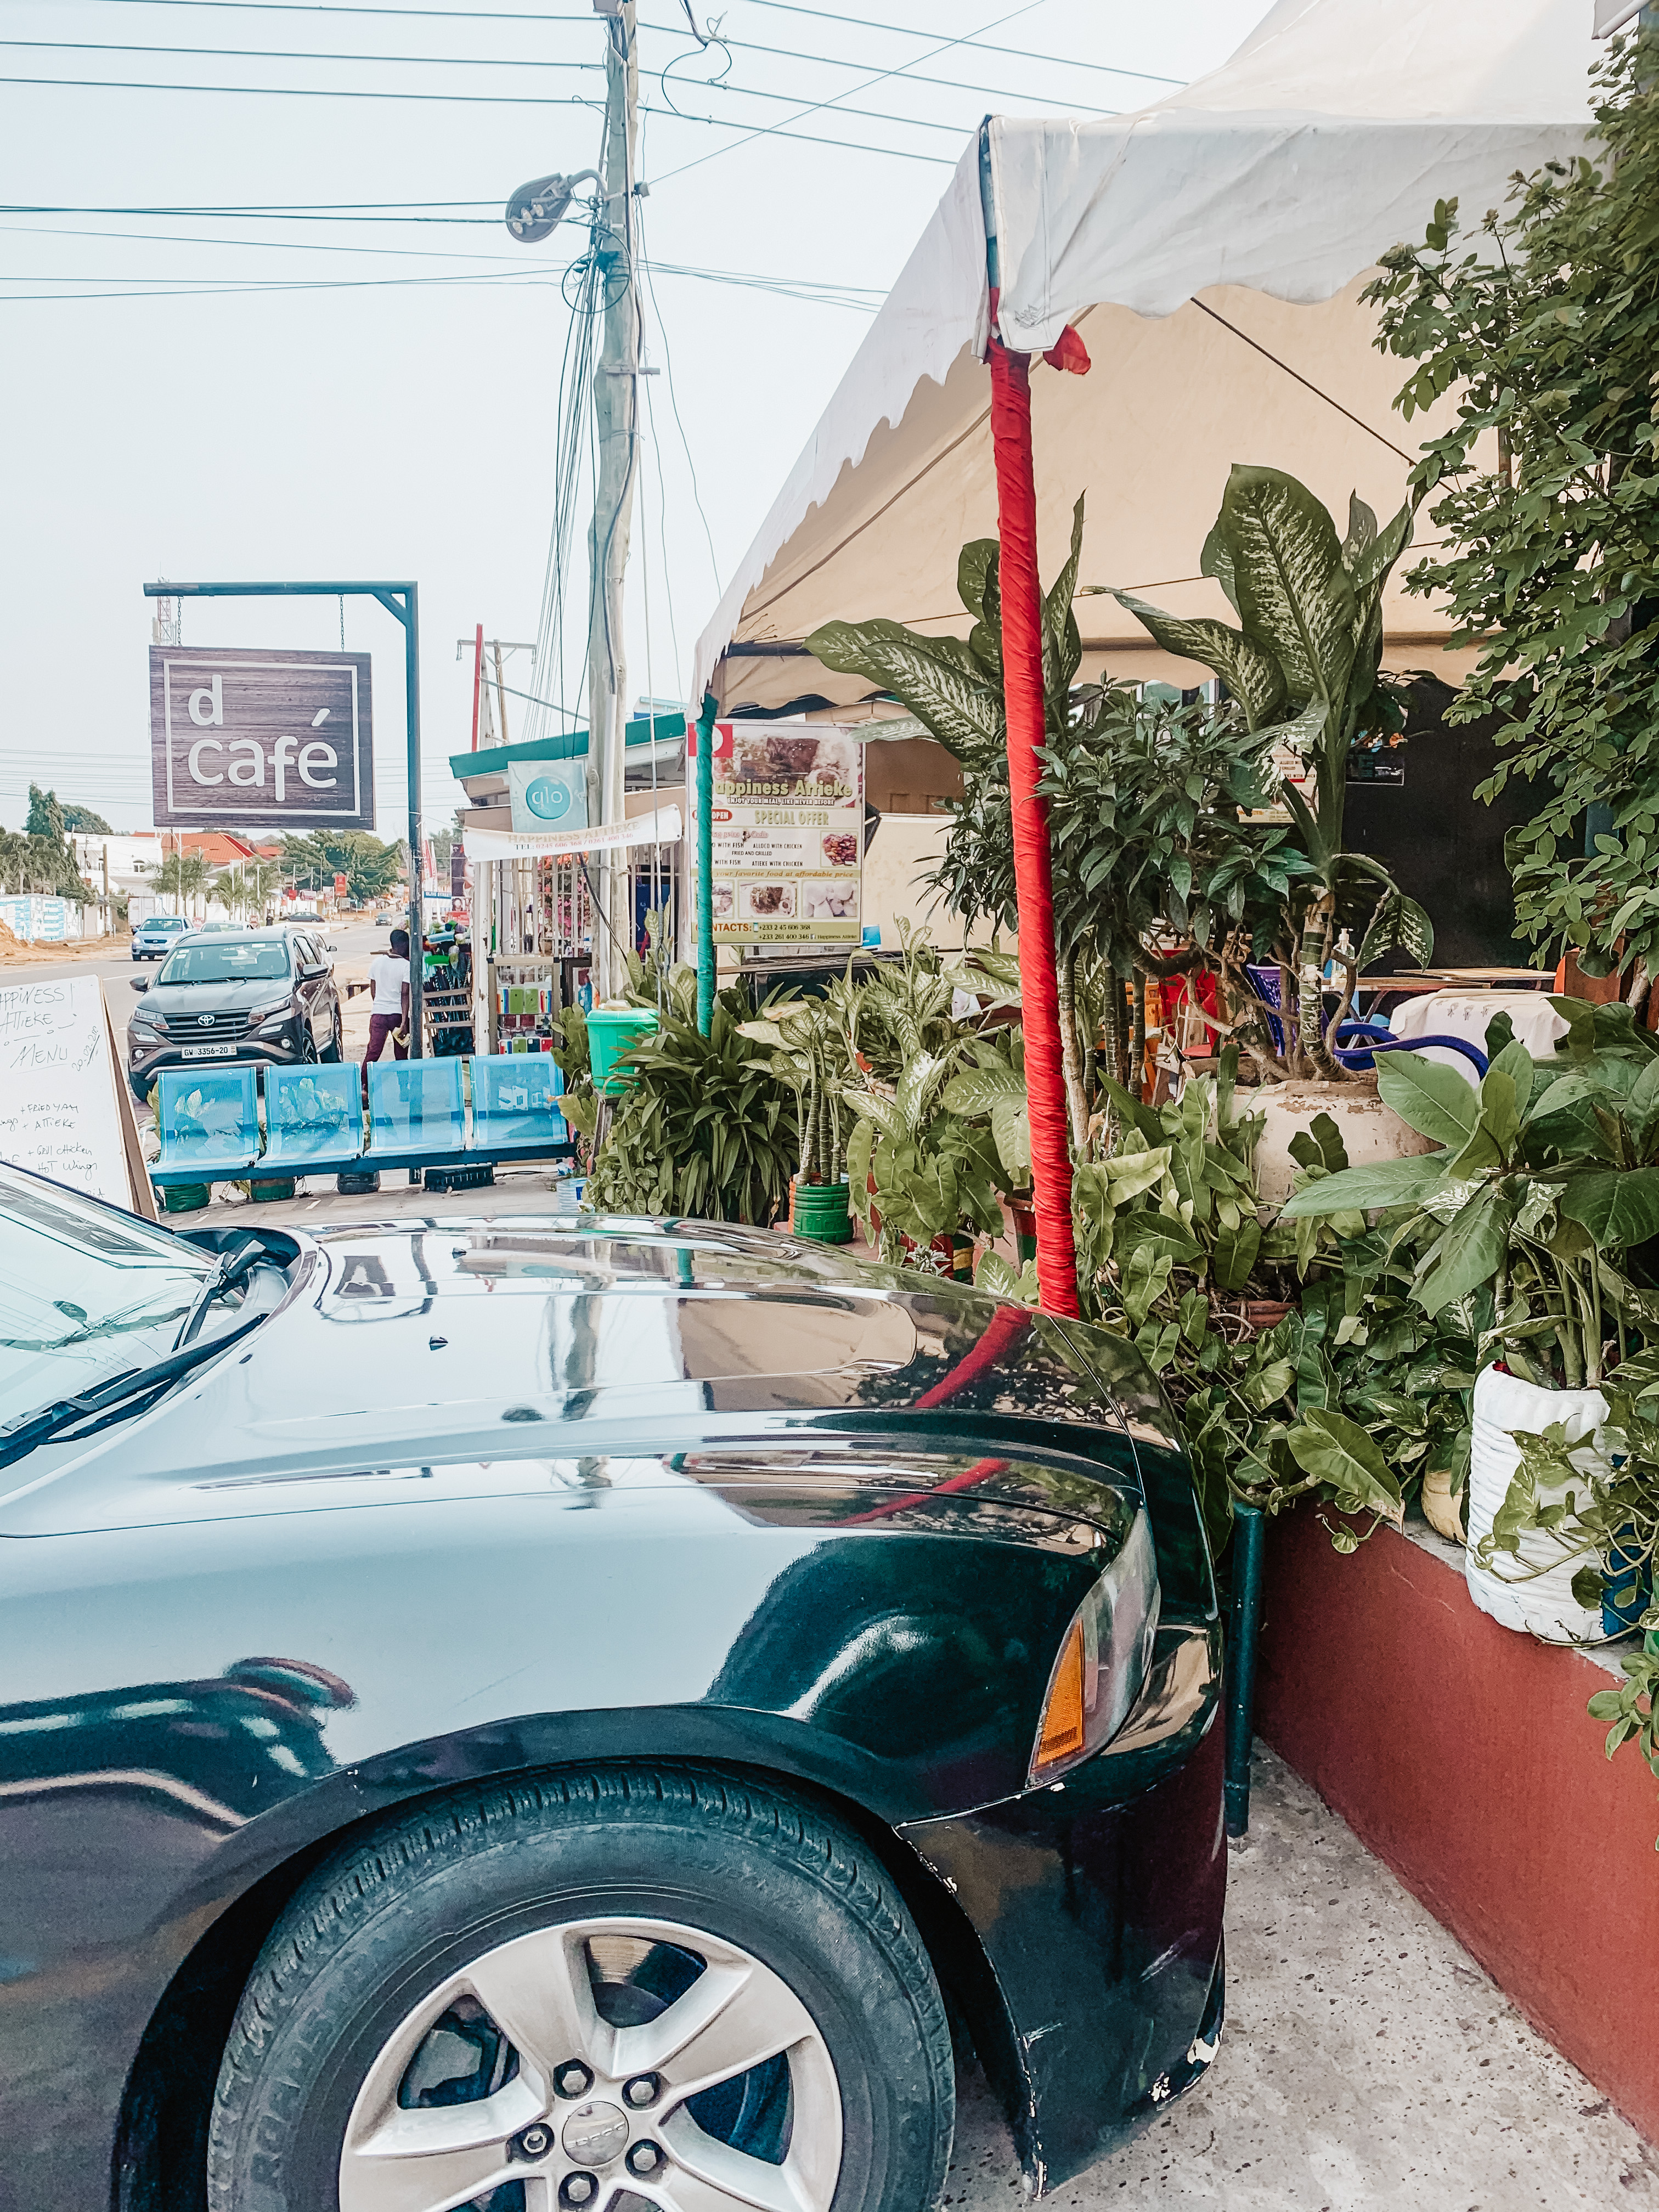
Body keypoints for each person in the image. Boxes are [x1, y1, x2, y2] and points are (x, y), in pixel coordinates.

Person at [364, 928, 411, 1077]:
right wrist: (404, 1022)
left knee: (373, 1052)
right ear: (404, 944)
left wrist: (380, 1004)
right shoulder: (406, 966)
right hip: (397, 1016)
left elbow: (373, 990)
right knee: (401, 1055)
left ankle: (363, 1085)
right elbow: (405, 994)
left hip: (378, 1015)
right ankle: (404, 1087)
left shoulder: (377, 962)